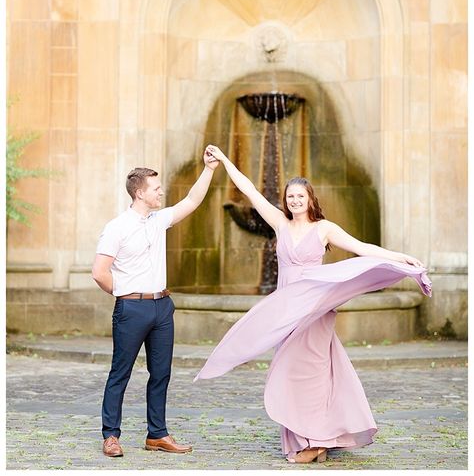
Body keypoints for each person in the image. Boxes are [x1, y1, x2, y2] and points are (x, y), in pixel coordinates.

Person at [196, 145, 431, 464]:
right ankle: (307, 438)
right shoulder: (279, 223)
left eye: (300, 197)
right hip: (286, 314)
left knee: (313, 374)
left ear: (310, 199)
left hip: (315, 312)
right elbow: (249, 191)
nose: (294, 201)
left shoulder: (324, 229)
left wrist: (399, 257)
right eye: (290, 196)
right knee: (288, 372)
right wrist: (223, 161)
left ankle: (318, 441)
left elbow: (361, 248)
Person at [92, 149, 219, 458]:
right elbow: (99, 272)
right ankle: (111, 435)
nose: (161, 191)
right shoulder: (117, 227)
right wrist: (124, 294)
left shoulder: (159, 220)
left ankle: (157, 435)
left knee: (161, 372)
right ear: (140, 193)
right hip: (131, 308)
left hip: (163, 307)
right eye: (156, 188)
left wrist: (209, 169)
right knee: (120, 372)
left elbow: (192, 201)